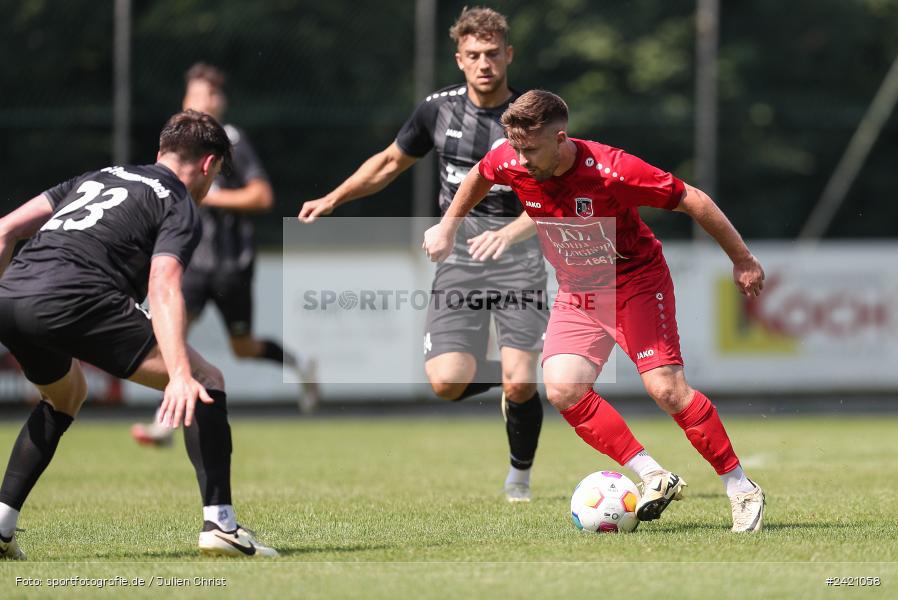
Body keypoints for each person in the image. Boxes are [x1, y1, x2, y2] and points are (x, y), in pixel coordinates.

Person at [423, 90, 767, 532]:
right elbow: (479, 174)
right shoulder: (512, 158)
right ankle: (652, 475)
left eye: (530, 149)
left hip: (636, 282)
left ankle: (741, 487)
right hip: (579, 292)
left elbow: (693, 199)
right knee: (564, 389)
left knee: (666, 390)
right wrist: (448, 226)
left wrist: (742, 260)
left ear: (560, 138)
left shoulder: (613, 170)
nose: (521, 160)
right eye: (516, 148)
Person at [0, 110, 277, 559]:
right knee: (207, 382)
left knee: (66, 395)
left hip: (11, 295)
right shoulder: (179, 203)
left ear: (161, 152)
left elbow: (5, 229)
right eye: (217, 174)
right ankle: (220, 525)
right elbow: (164, 284)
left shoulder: (98, 176)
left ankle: (1, 525)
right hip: (78, 296)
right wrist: (182, 374)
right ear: (208, 165)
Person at [299, 7, 548, 503]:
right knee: (447, 382)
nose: (484, 64)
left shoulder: (534, 116)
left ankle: (518, 475)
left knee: (520, 385)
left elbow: (557, 200)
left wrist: (511, 234)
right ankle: (514, 382)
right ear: (459, 58)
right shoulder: (437, 110)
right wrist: (334, 197)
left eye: (493, 54)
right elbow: (390, 162)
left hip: (520, 264)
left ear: (509, 55)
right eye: (474, 55)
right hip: (459, 264)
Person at [132, 64, 318, 448]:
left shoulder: (231, 140)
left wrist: (214, 197)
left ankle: (300, 365)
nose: (202, 103)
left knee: (242, 347)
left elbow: (262, 196)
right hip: (192, 263)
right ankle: (165, 423)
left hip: (231, 264)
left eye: (209, 96)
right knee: (172, 336)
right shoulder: (178, 142)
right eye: (195, 96)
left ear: (221, 101)